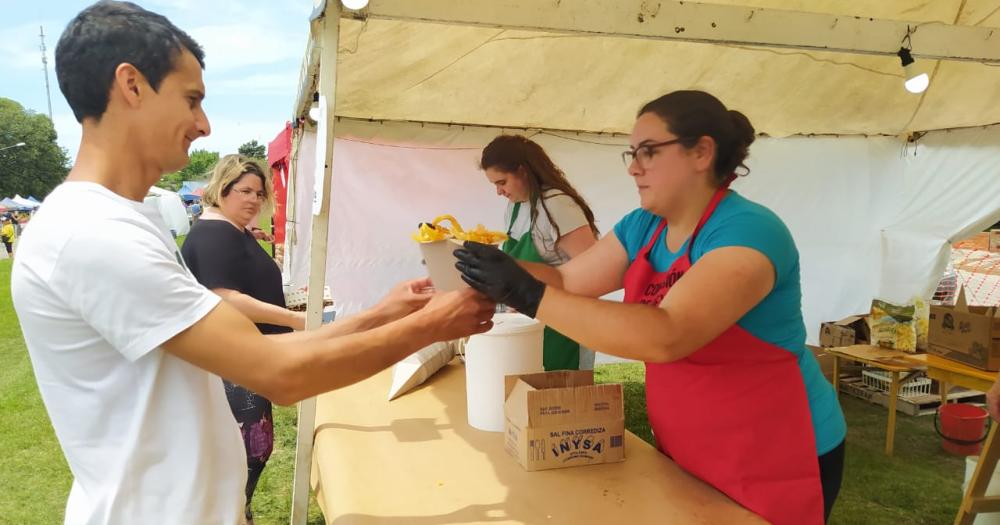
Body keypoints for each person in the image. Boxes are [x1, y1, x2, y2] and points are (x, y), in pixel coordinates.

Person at [10, 2, 495, 524]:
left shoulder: (121, 222)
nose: (203, 123)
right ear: (131, 86)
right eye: (191, 99)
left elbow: (252, 348)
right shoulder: (91, 233)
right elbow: (278, 375)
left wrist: (382, 314)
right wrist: (431, 325)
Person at [455, 90, 847, 525]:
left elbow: (668, 334)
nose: (633, 166)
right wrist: (494, 271)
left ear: (701, 151)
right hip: (691, 442)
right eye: (632, 152)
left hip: (775, 447)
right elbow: (569, 279)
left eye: (648, 152)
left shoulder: (749, 231)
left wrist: (528, 294)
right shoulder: (644, 225)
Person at [180, 154, 298, 523]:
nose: (253, 200)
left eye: (259, 194)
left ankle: (235, 513)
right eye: (244, 191)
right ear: (222, 189)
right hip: (230, 361)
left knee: (248, 451)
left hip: (245, 355)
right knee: (248, 450)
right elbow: (225, 296)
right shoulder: (215, 231)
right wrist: (300, 320)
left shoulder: (233, 229)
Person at [480, 135, 599, 370]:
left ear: (523, 171)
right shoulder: (515, 208)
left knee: (563, 400)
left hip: (566, 326)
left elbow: (594, 271)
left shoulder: (556, 205)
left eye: (502, 182)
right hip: (530, 318)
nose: (499, 192)